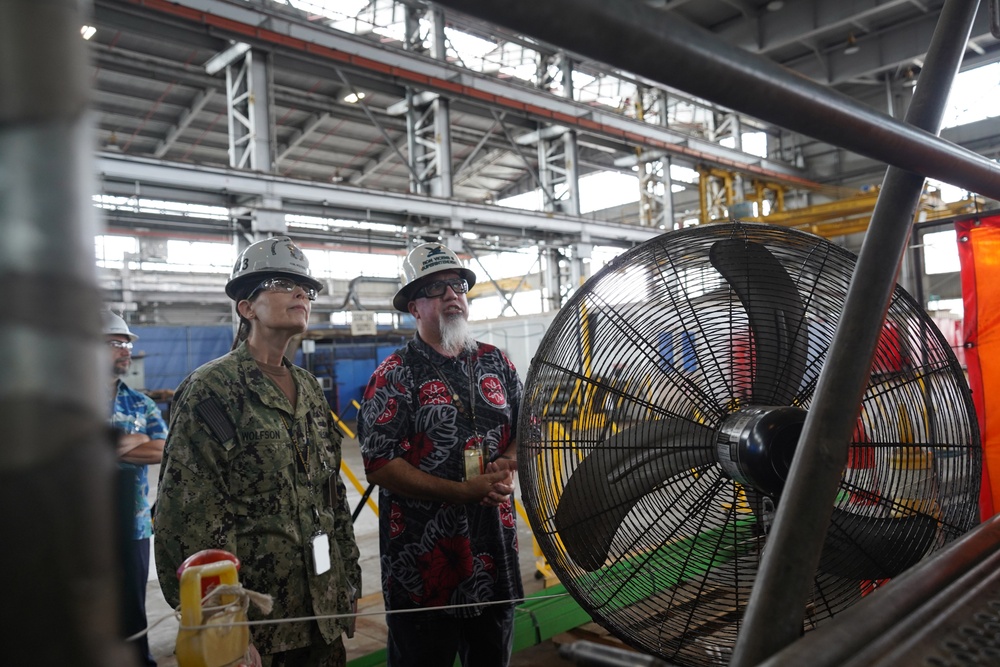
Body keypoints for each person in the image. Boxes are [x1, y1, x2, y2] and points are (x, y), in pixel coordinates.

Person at [154, 236, 361, 667]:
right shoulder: (212, 391)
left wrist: (348, 584)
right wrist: (221, 622)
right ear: (246, 307)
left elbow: (331, 497)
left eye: (307, 288)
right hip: (259, 624)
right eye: (283, 283)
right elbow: (189, 515)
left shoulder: (308, 389)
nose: (302, 293)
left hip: (323, 611)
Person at [358, 242, 523, 667]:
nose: (453, 295)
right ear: (414, 307)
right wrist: (460, 492)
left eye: (458, 286)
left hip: (493, 555)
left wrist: (507, 460)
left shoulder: (497, 363)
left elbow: (528, 429)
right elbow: (379, 463)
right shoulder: (395, 374)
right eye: (437, 289)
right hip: (423, 566)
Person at [105, 310, 167, 667]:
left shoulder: (140, 402)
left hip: (133, 524)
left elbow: (163, 448)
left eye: (127, 342)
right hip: (76, 525)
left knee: (132, 607)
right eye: (116, 342)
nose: (125, 349)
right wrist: (133, 440)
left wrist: (102, 445)